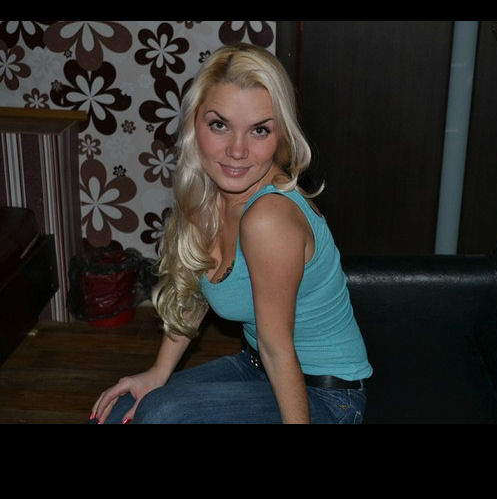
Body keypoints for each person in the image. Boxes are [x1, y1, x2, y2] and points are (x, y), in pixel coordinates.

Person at [89, 42, 373, 424]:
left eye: (259, 130)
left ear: (281, 136)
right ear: (195, 125)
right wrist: (158, 373)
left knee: (161, 413)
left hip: (324, 396)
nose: (237, 151)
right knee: (115, 414)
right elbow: (195, 292)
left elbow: (277, 349)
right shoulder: (207, 195)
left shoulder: (269, 218)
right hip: (254, 369)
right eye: (220, 125)